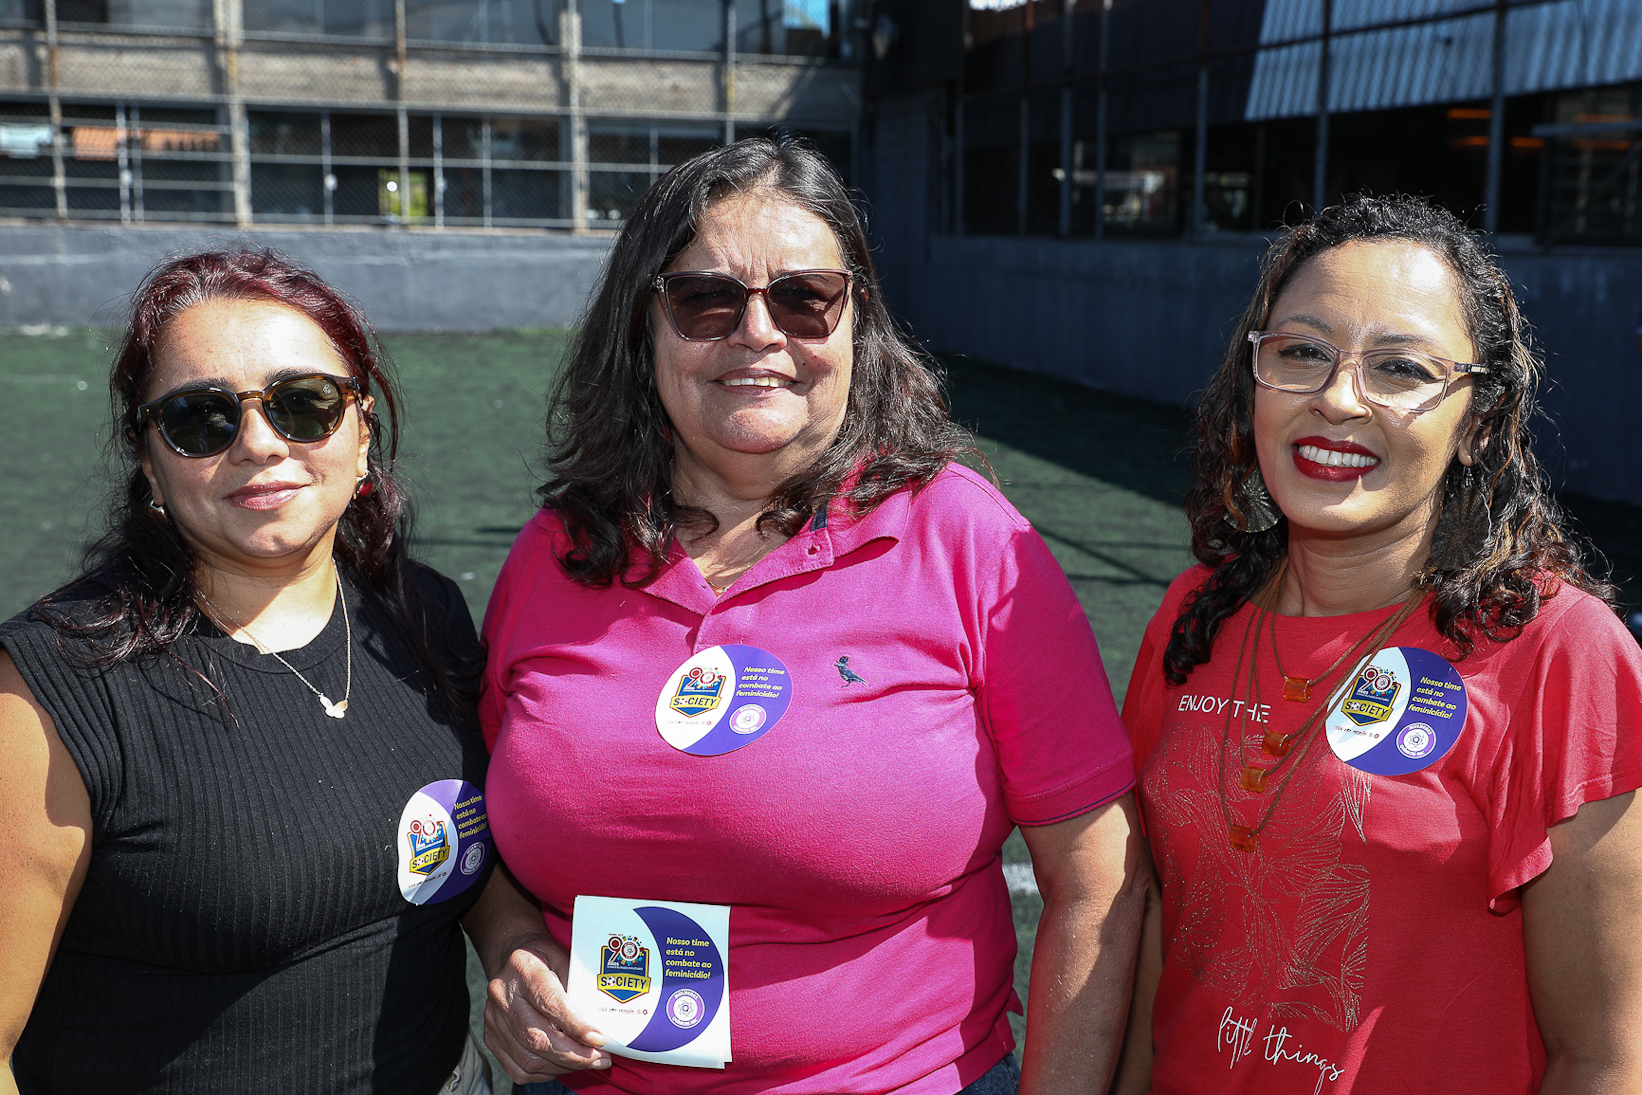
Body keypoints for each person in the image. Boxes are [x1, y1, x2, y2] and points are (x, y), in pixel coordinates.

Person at [469, 137, 1146, 1095]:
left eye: (803, 297)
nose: (758, 331)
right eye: (707, 298)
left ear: (854, 322)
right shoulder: (554, 553)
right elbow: (481, 818)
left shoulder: (969, 540)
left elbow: (1099, 884)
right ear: (644, 325)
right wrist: (510, 942)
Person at [1115, 195, 1642, 1094]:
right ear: (1256, 380)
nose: (1336, 398)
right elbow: (1153, 930)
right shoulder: (1190, 617)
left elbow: (1603, 1057)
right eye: (1302, 353)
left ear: (1478, 420)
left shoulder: (1562, 653)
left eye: (1399, 368)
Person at [0, 248, 493, 1094]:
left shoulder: (424, 615)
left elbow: (462, 866)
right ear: (149, 461)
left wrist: (523, 954)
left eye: (306, 404)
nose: (261, 443)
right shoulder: (53, 691)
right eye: (202, 418)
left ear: (362, 430)